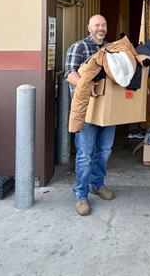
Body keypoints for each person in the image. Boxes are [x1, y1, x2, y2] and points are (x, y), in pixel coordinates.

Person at [65, 14, 115, 216]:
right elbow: (70, 74)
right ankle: (81, 195)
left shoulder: (112, 48)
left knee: (104, 150)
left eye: (103, 24)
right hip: (86, 109)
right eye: (97, 25)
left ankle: (97, 184)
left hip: (108, 110)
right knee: (85, 154)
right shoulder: (79, 47)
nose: (100, 28)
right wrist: (89, 86)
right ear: (89, 27)